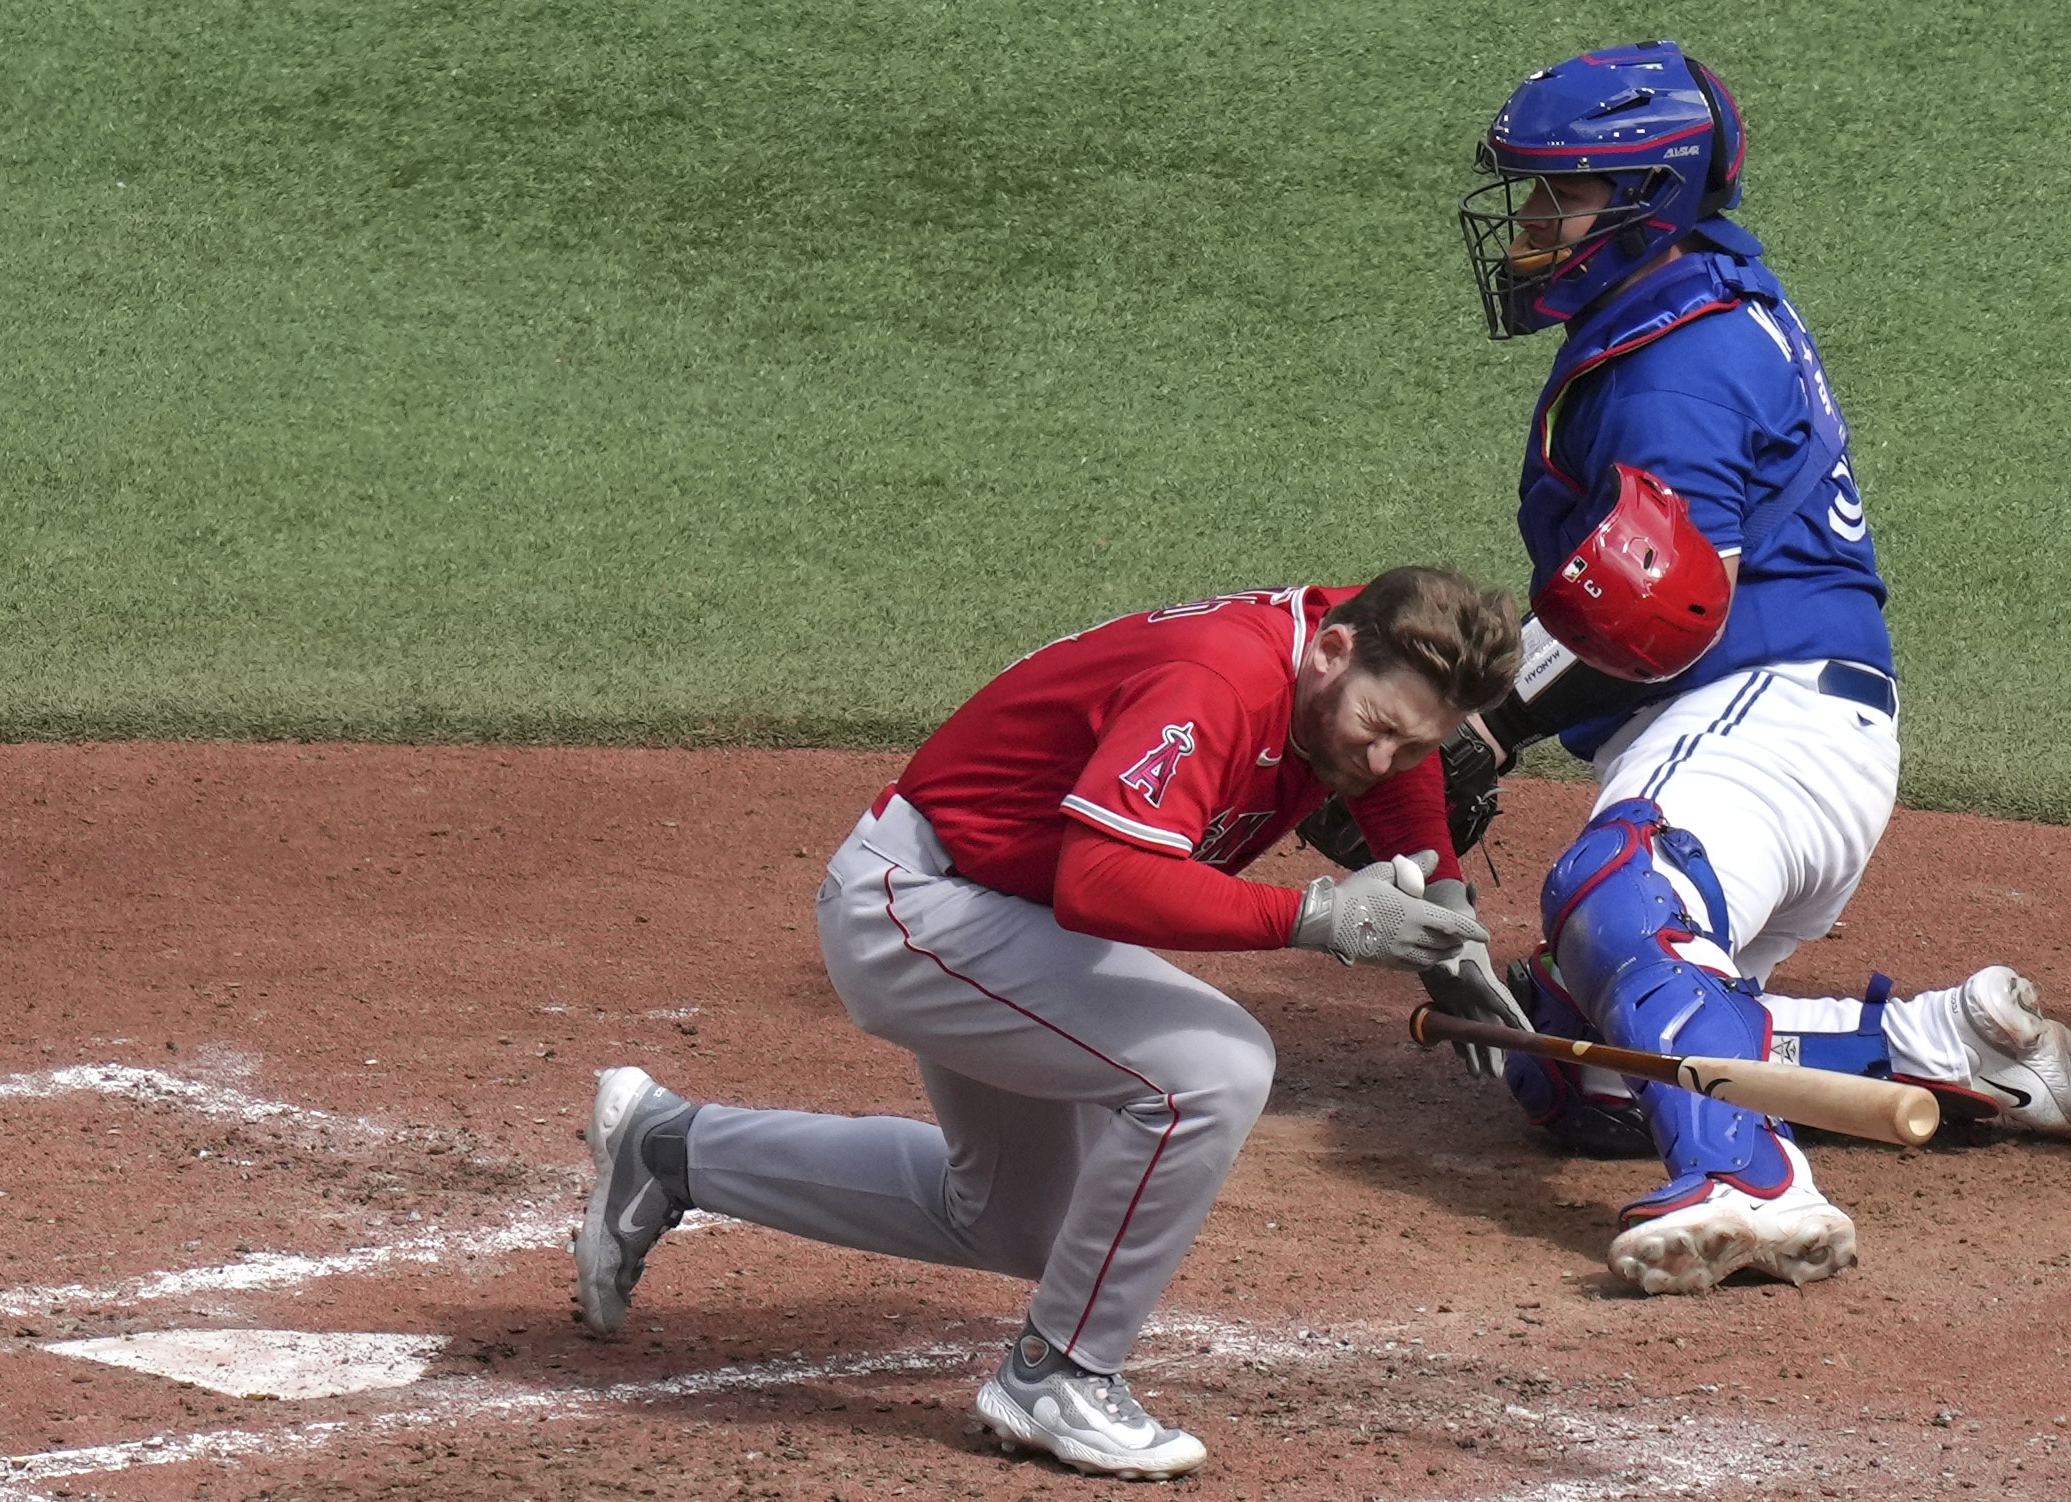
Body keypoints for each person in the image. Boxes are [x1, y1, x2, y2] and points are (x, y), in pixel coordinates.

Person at [573, 569, 1523, 1479]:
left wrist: (1440, 915)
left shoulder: (1347, 667)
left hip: (1002, 916)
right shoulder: (1219, 681)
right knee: (1217, 1067)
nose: (1379, 760)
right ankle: (1062, 1375)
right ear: (1332, 648)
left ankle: (672, 1151)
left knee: (1019, 1223)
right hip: (918, 905)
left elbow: (1394, 776)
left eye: (1415, 743)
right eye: (1377, 729)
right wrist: (1316, 920)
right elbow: (1101, 883)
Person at [1454, 40, 2070, 1297]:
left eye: (1557, 195)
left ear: (1646, 200)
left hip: (1756, 713)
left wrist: (1479, 725)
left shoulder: (1680, 362)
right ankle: (1937, 1044)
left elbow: (1657, 595)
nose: (1527, 226)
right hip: (1797, 726)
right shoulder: (1701, 288)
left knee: (1615, 887)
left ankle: (1750, 1176)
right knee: (1565, 1058)